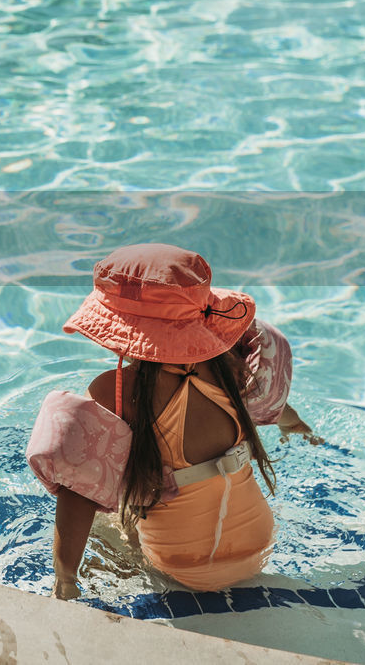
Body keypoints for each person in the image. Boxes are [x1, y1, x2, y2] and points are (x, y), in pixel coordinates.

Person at [25, 243, 320, 599]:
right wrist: (294, 424)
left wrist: (64, 579)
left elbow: (79, 495)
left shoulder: (115, 391)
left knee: (110, 520)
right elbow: (269, 409)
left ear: (122, 328)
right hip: (257, 546)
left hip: (180, 563)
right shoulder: (230, 368)